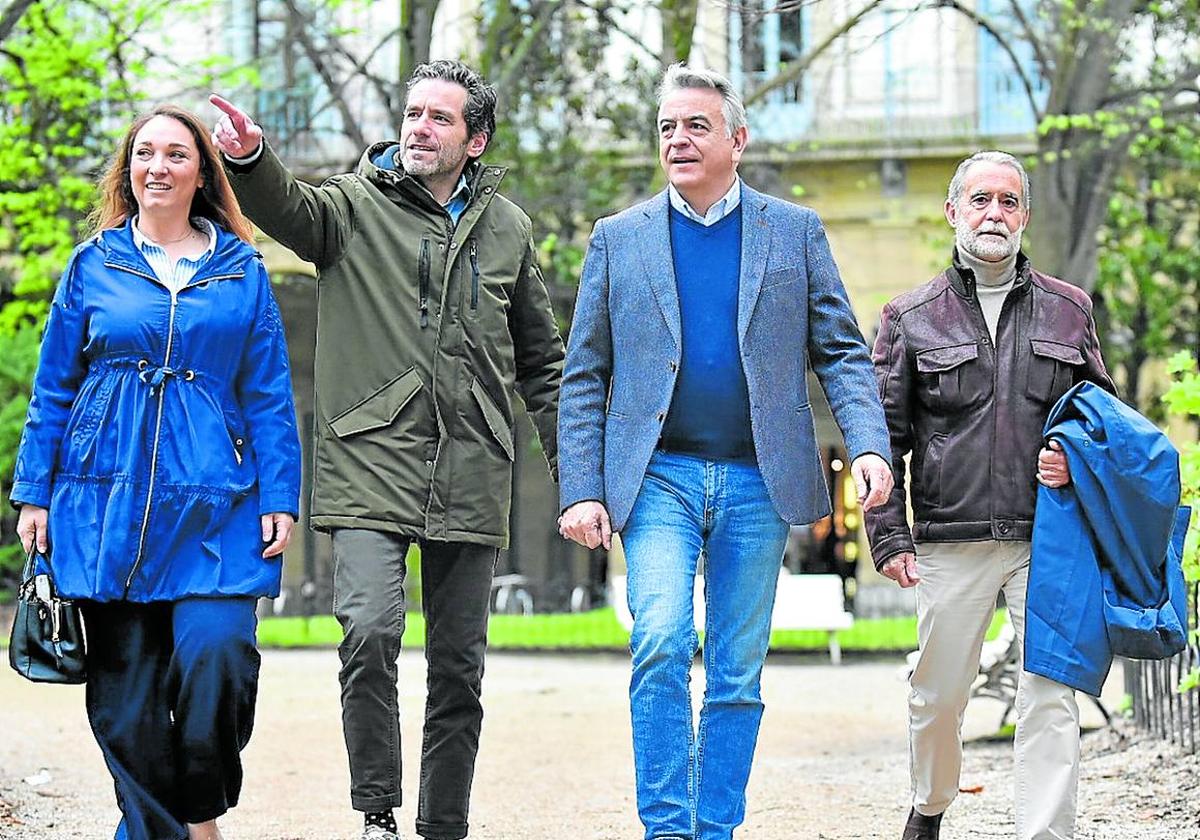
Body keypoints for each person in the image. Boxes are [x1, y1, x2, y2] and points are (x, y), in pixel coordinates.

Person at [209, 58, 563, 840]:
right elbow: (289, 209)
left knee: (459, 672)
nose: (418, 129)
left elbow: (542, 362)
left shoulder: (509, 229)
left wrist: (577, 479)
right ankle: (377, 811)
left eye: (439, 118)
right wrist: (248, 158)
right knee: (368, 633)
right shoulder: (350, 206)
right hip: (370, 458)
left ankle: (445, 826)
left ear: (475, 140)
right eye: (412, 114)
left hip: (473, 464)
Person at [557, 64, 893, 840]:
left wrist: (869, 444)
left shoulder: (795, 232)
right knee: (662, 641)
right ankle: (668, 829)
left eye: (697, 126)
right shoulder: (618, 239)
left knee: (737, 674)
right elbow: (585, 375)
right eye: (668, 126)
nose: (678, 138)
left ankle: (716, 830)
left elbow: (842, 352)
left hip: (756, 480)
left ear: (738, 140)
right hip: (658, 477)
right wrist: (582, 487)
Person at [11, 104, 301, 840]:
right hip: (104, 502)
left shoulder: (242, 271)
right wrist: (33, 492)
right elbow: (53, 388)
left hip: (216, 503)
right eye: (145, 153)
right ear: (129, 170)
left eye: (176, 154)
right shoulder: (92, 265)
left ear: (201, 171)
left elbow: (268, 392)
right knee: (125, 702)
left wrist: (281, 494)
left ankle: (198, 810)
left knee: (220, 658)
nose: (158, 167)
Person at [865, 150, 1116, 840]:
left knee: (1050, 696)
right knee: (937, 696)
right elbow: (882, 436)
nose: (993, 214)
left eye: (1008, 202)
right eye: (979, 200)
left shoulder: (1069, 311)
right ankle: (931, 802)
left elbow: (1104, 420)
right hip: (951, 537)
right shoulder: (909, 317)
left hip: (1049, 537)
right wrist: (889, 535)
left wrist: (1078, 457)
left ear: (1025, 217)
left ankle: (1045, 833)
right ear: (953, 212)